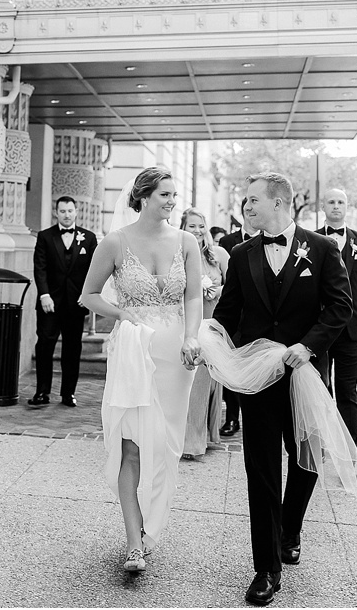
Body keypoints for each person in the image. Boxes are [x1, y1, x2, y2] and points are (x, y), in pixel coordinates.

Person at [211, 171, 352, 605]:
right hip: (256, 381)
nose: (246, 207)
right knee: (262, 469)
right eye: (244, 201)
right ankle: (266, 568)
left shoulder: (323, 249)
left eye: (252, 200)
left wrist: (308, 347)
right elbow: (228, 313)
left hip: (303, 373)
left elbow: (340, 306)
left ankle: (291, 527)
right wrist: (207, 344)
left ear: (278, 203)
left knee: (307, 458)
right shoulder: (240, 253)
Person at [80, 168, 203, 573]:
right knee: (131, 444)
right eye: (164, 194)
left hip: (176, 358)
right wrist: (123, 312)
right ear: (143, 196)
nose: (171, 201)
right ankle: (134, 543)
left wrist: (191, 337)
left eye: (173, 194)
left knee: (166, 447)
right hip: (132, 351)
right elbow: (88, 296)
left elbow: (193, 298)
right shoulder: (115, 242)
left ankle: (153, 529)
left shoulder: (186, 242)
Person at [315, 188, 357, 443]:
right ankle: (320, 441)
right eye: (331, 202)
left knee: (348, 391)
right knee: (320, 389)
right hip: (319, 327)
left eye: (341, 202)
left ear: (347, 207)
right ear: (323, 207)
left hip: (352, 329)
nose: (336, 206)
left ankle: (348, 449)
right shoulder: (309, 240)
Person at [30, 196, 98, 408]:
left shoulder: (89, 238)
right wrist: (44, 295)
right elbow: (40, 268)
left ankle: (68, 393)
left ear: (76, 211)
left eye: (70, 211)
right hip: (49, 303)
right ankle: (42, 392)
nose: (67, 215)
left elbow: (93, 271)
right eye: (62, 211)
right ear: (56, 212)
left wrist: (86, 295)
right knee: (44, 347)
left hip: (76, 304)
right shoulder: (45, 237)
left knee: (72, 349)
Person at [179, 208, 230, 459]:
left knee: (207, 386)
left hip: (211, 325)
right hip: (187, 325)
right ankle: (190, 441)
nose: (198, 231)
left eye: (201, 226)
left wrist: (217, 291)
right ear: (183, 228)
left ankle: (205, 436)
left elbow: (235, 288)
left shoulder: (218, 254)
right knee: (189, 386)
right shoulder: (178, 252)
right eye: (192, 226)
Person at [217, 197, 259, 438]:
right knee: (231, 367)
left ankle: (253, 416)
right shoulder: (227, 242)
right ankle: (232, 418)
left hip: (256, 318)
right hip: (234, 315)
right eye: (246, 208)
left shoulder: (269, 239)